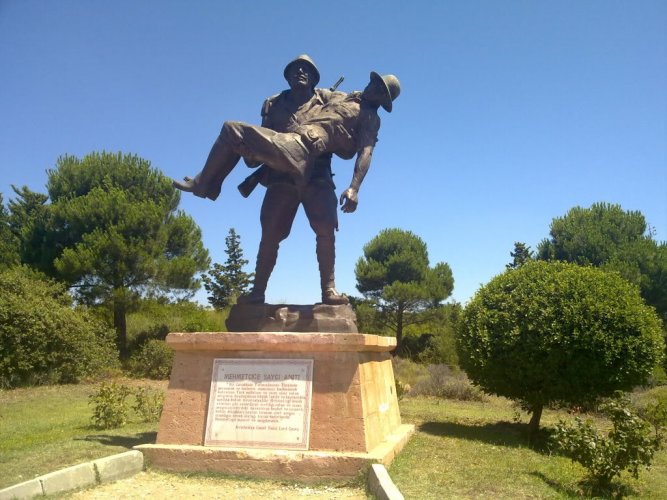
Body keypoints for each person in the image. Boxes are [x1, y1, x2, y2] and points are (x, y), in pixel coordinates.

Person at [173, 66, 401, 305]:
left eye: (379, 88)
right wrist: (274, 108)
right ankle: (257, 293)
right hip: (287, 160)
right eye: (374, 82)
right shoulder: (337, 96)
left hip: (308, 158)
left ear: (384, 99)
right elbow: (304, 95)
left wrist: (354, 187)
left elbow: (366, 152)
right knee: (271, 231)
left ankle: (329, 290)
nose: (372, 86)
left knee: (325, 227)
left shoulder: (370, 118)